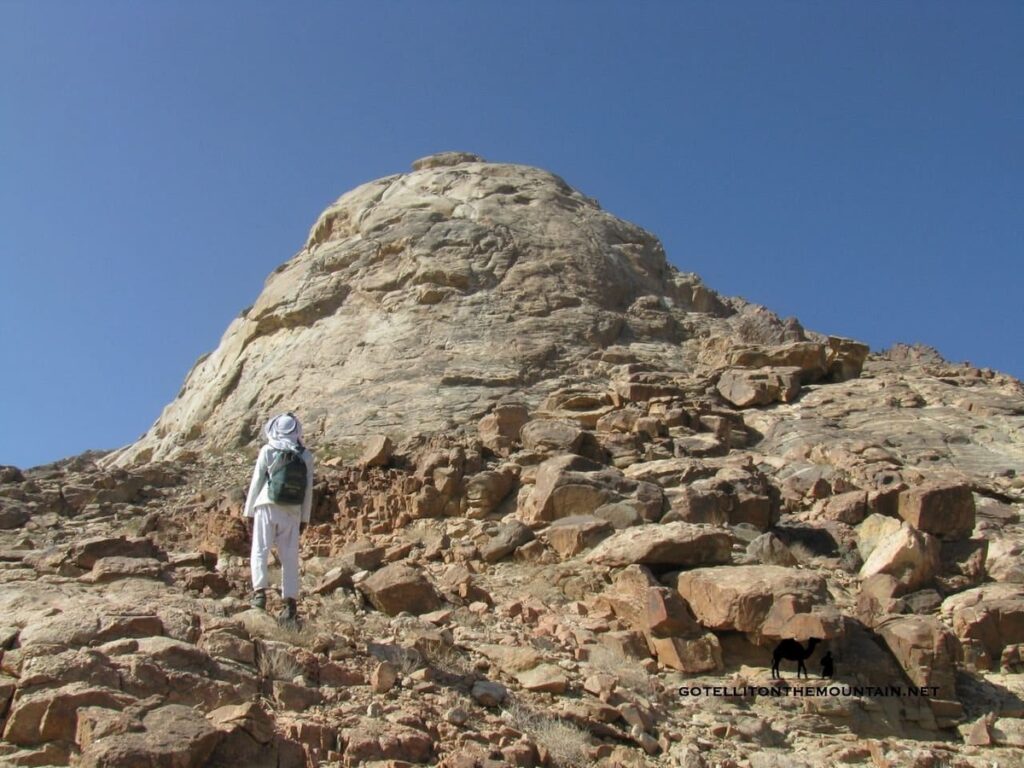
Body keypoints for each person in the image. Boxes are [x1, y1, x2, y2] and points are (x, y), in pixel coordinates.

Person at [243, 412, 314, 622]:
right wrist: (304, 518)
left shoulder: (268, 449)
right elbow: (308, 489)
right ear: (296, 430)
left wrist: (248, 512)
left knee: (260, 549)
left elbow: (257, 481)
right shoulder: (306, 455)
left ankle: (259, 595)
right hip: (292, 510)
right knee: (290, 558)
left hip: (266, 504)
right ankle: (290, 605)